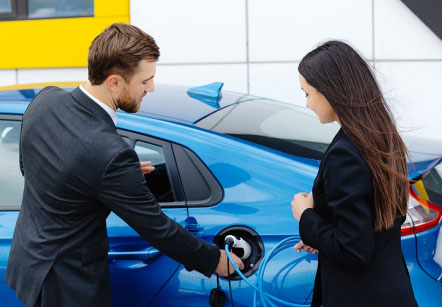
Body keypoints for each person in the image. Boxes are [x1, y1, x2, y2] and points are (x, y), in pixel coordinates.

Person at [5, 23, 243, 307]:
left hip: (29, 266)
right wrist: (215, 259)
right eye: (145, 81)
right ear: (115, 82)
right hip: (71, 287)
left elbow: (29, 166)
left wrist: (105, 179)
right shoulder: (111, 154)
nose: (151, 88)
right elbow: (156, 228)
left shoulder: (45, 100)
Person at [291, 41, 418, 307]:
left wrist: (306, 216)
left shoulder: (345, 153)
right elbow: (371, 225)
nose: (307, 104)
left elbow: (353, 250)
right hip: (392, 291)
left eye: (307, 93)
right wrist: (321, 236)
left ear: (329, 92)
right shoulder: (381, 135)